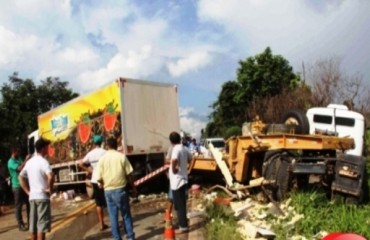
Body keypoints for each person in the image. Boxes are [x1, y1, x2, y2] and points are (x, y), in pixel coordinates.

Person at [97, 137, 137, 240]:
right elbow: (129, 174)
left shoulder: (102, 159)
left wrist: (103, 184)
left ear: (107, 146)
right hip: (121, 190)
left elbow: (99, 178)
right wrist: (133, 188)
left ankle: (117, 238)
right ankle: (130, 237)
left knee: (113, 217)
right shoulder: (122, 157)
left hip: (108, 191)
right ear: (116, 145)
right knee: (126, 215)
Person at [19, 138, 54, 240]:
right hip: (42, 197)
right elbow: (50, 176)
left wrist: (28, 192)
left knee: (33, 227)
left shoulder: (29, 162)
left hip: (32, 198)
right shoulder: (44, 162)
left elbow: (20, 177)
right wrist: (50, 190)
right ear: (43, 149)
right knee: (41, 228)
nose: (48, 149)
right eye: (47, 147)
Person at [79, 135, 108, 231]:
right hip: (104, 180)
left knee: (98, 204)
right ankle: (114, 222)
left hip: (95, 180)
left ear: (94, 143)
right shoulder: (105, 152)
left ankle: (101, 224)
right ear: (101, 142)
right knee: (109, 203)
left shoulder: (90, 154)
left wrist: (89, 170)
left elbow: (80, 163)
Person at [168, 131, 192, 233]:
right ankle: (182, 223)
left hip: (177, 182)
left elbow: (173, 161)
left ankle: (183, 226)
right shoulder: (184, 148)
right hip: (182, 180)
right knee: (180, 204)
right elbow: (192, 158)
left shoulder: (175, 149)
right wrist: (189, 170)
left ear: (171, 141)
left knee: (180, 205)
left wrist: (173, 170)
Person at [7, 147, 30, 231]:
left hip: (24, 184)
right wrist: (26, 160)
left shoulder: (19, 158)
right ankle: (20, 224)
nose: (19, 153)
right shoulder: (10, 162)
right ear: (13, 152)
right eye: (17, 151)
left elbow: (24, 167)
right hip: (17, 186)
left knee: (28, 203)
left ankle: (30, 221)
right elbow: (19, 169)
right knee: (18, 206)